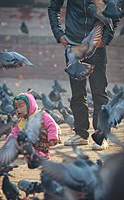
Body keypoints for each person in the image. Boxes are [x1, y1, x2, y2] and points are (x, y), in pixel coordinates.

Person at [48, 0, 121, 150]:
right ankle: (81, 134)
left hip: (97, 46)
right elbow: (53, 7)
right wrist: (59, 34)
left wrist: (106, 39)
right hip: (73, 44)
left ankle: (100, 135)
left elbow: (115, 11)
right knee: (77, 93)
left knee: (99, 92)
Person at [6, 92, 59, 159]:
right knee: (20, 136)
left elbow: (52, 125)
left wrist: (52, 137)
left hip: (46, 138)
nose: (18, 110)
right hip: (31, 140)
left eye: (21, 106)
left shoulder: (41, 115)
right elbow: (13, 134)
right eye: (16, 108)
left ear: (29, 105)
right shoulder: (21, 121)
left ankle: (43, 152)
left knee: (37, 130)